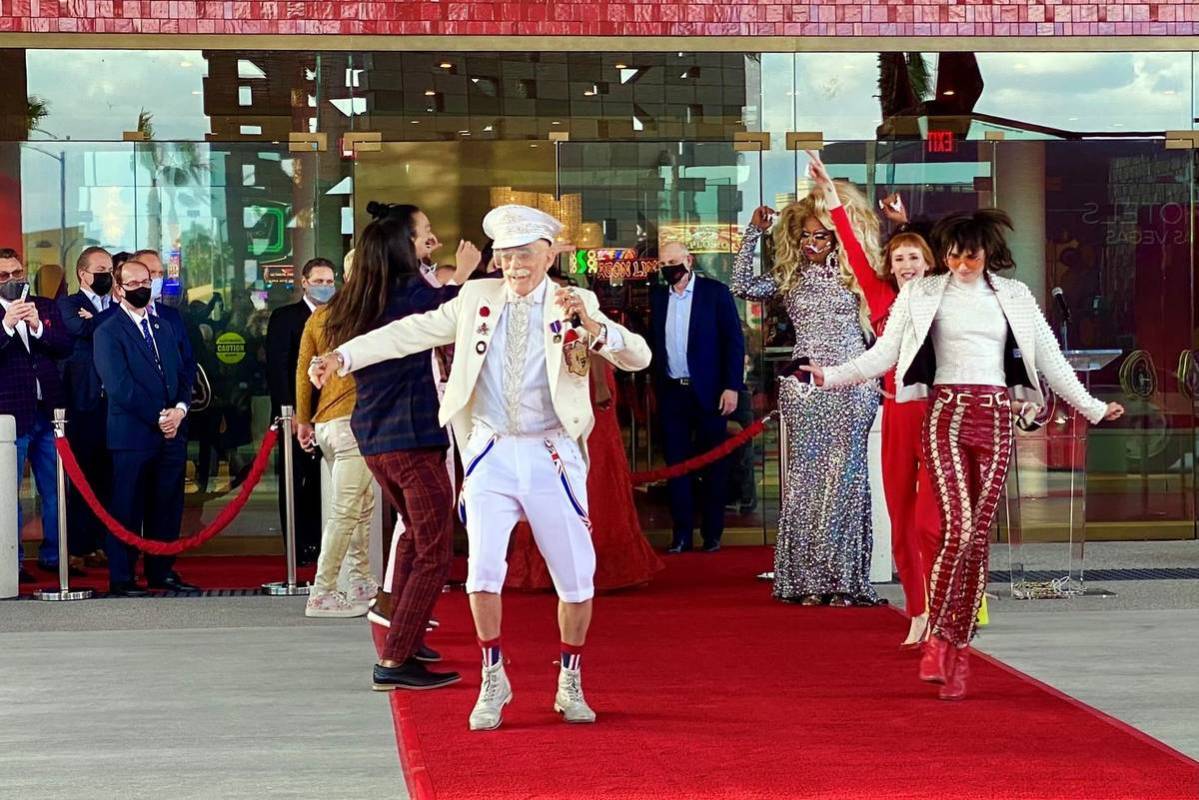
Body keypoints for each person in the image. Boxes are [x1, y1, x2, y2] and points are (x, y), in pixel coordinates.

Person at [310, 204, 651, 730]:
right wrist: (345, 357)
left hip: (551, 453)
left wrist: (596, 331)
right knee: (481, 574)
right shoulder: (476, 298)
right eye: (505, 255)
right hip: (490, 452)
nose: (513, 265)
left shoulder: (575, 301)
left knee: (576, 579)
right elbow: (409, 331)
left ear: (548, 254)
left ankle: (570, 678)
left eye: (524, 254)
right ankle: (494, 676)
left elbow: (639, 357)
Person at [805, 209, 1125, 700]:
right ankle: (938, 637)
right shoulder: (922, 292)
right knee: (954, 528)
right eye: (952, 254)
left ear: (987, 252)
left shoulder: (1014, 297)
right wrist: (827, 375)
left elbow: (1052, 362)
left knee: (977, 537)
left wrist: (1094, 408)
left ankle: (956, 643)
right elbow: (885, 354)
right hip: (946, 414)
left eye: (969, 253)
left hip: (996, 416)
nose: (960, 263)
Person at [316, 202, 478, 689]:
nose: (433, 239)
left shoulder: (361, 297)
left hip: (375, 434)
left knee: (412, 532)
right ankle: (393, 662)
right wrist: (467, 274)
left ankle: (403, 635)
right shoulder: (409, 295)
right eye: (425, 232)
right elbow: (449, 316)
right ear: (402, 244)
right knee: (434, 549)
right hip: (410, 436)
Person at [806, 154, 941, 646]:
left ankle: (948, 602)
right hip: (895, 413)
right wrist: (829, 193)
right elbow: (849, 243)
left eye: (914, 258)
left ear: (930, 264)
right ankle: (918, 612)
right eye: (899, 258)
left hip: (939, 416)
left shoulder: (947, 300)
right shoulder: (880, 297)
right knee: (902, 519)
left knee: (932, 522)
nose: (906, 265)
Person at [732, 185, 883, 607]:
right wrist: (752, 233)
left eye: (822, 236)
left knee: (848, 479)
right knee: (805, 480)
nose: (812, 244)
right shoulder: (790, 275)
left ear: (838, 236)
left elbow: (902, 285)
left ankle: (846, 580)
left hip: (854, 382)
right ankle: (806, 580)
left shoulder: (858, 272)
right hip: (806, 384)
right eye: (806, 236)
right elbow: (741, 285)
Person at [507, 276, 663, 593]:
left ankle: (595, 561)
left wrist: (602, 386)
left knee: (596, 472)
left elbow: (594, 350)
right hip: (559, 397)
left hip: (589, 392)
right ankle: (556, 563)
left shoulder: (581, 307)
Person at [93, 258, 198, 596]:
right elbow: (120, 388)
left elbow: (183, 373)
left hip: (171, 433)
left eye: (146, 282)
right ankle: (122, 577)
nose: (143, 288)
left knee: (166, 505)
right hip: (133, 436)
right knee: (127, 506)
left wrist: (179, 410)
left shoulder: (163, 326)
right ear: (119, 288)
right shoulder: (107, 331)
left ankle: (161, 571)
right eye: (134, 283)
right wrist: (160, 416)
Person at [649, 241, 745, 553]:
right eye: (663, 263)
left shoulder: (714, 293)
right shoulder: (659, 297)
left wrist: (732, 386)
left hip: (711, 393)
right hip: (673, 392)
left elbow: (733, 342)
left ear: (689, 261)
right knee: (677, 465)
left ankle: (712, 534)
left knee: (714, 464)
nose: (668, 268)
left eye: (674, 261)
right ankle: (681, 535)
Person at [294, 259, 376, 618]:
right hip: (351, 423)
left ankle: (359, 581)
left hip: (328, 423)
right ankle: (323, 591)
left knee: (362, 504)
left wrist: (303, 419)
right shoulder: (369, 312)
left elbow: (302, 369)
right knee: (347, 511)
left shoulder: (321, 315)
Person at [0, 248, 72, 583]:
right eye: (4, 276)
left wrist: (37, 327)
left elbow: (64, 345)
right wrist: (8, 325)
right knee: (6, 494)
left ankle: (55, 558)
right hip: (9, 416)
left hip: (49, 413)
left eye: (17, 273)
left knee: (56, 489)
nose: (13, 280)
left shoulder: (44, 306)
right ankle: (10, 562)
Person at [265, 258, 334, 564]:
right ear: (304, 282)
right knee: (296, 482)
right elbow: (278, 368)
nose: (325, 286)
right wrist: (289, 413)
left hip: (331, 413)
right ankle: (297, 545)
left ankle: (323, 544)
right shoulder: (286, 317)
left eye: (329, 281)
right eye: (318, 281)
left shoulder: (338, 316)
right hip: (294, 414)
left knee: (325, 481)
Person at [58, 246, 118, 571]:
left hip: (114, 406)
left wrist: (97, 320)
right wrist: (101, 320)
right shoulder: (69, 304)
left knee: (107, 479)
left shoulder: (111, 306)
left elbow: (107, 331)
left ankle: (100, 544)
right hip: (83, 404)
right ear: (84, 273)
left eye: (110, 268)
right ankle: (77, 547)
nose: (108, 274)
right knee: (80, 480)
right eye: (101, 269)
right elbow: (79, 330)